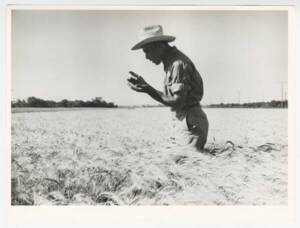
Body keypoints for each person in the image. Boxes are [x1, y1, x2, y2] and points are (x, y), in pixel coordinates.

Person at [127, 25, 209, 150]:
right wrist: (147, 87)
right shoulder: (171, 63)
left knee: (184, 165)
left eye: (147, 51)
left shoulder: (178, 65)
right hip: (183, 121)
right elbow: (174, 99)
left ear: (159, 46)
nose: (146, 57)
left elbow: (177, 101)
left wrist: (148, 89)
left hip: (190, 123)